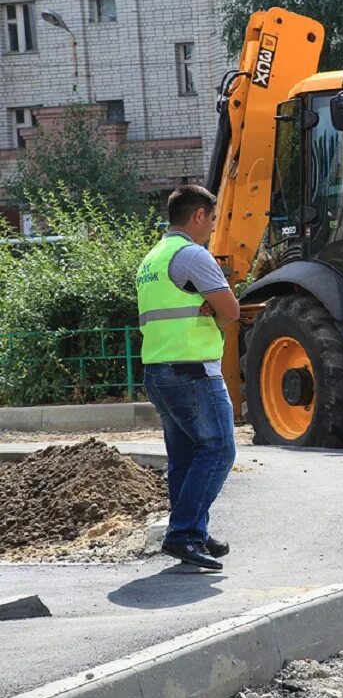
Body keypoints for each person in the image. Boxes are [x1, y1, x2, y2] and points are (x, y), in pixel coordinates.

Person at [136, 185, 240, 570]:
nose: (213, 227)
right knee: (218, 450)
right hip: (193, 372)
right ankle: (184, 533)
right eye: (212, 219)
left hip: (159, 372)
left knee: (184, 457)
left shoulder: (152, 258)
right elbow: (230, 311)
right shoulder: (192, 254)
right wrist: (215, 309)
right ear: (198, 215)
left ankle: (191, 529)